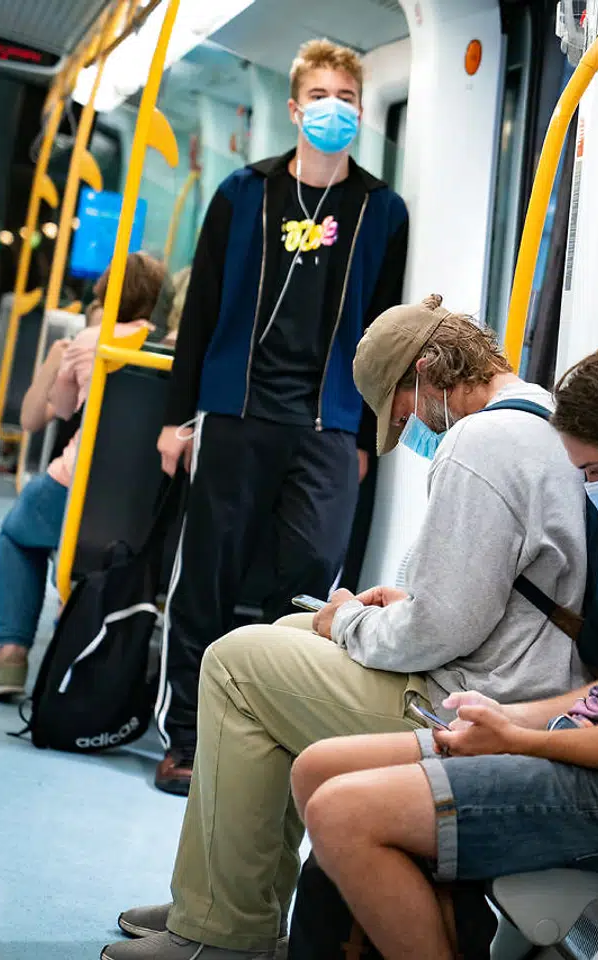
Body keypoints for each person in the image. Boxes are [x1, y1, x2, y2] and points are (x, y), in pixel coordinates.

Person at [104, 296, 589, 960]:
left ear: (426, 372)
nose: (413, 430)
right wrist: (377, 612)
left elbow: (441, 629)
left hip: (467, 704)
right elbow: (481, 597)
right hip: (501, 674)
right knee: (290, 630)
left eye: (403, 413)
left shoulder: (481, 442)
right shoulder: (534, 416)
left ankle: (225, 930)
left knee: (236, 663)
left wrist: (354, 621)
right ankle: (222, 895)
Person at [283, 343, 598, 960]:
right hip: (592, 743)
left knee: (342, 813)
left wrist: (520, 740)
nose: (593, 491)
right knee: (317, 768)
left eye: (596, 472)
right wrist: (507, 716)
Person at [151, 38, 409, 795]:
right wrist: (177, 418)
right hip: (236, 411)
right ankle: (188, 739)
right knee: (207, 577)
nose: (335, 109)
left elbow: (386, 332)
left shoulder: (379, 210)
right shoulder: (243, 193)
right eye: (321, 96)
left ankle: (266, 741)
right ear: (294, 109)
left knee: (304, 586)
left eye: (349, 99)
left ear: (363, 113)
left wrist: (366, 438)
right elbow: (198, 314)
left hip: (327, 425)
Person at [0, 252, 167, 698]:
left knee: (18, 534)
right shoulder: (169, 350)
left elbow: (57, 411)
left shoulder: (91, 342)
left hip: (76, 488)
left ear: (104, 294)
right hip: (141, 503)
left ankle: (11, 657)